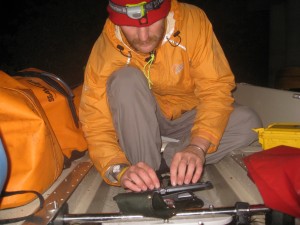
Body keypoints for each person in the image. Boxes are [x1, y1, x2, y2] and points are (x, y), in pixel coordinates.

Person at [79, 0, 262, 192]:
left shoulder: (193, 21)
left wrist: (197, 147)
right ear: (115, 20)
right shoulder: (104, 51)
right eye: (131, 26)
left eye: (152, 22)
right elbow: (95, 122)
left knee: (249, 121)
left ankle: (171, 161)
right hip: (141, 123)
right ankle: (146, 174)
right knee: (126, 78)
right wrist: (120, 170)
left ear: (165, 11)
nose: (143, 36)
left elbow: (215, 88)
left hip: (190, 118)